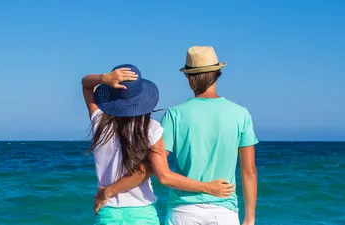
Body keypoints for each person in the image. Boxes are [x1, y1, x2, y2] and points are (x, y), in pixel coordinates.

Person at [82, 64, 235, 225]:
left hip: (109, 212)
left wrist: (103, 78)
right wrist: (208, 187)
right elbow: (164, 176)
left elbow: (86, 85)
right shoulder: (151, 128)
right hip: (143, 214)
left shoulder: (99, 122)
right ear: (142, 98)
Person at [154, 46, 259, 225]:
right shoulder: (241, 114)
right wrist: (249, 217)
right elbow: (248, 171)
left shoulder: (174, 115)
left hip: (183, 210)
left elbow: (161, 171)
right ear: (218, 73)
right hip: (224, 212)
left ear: (188, 78)